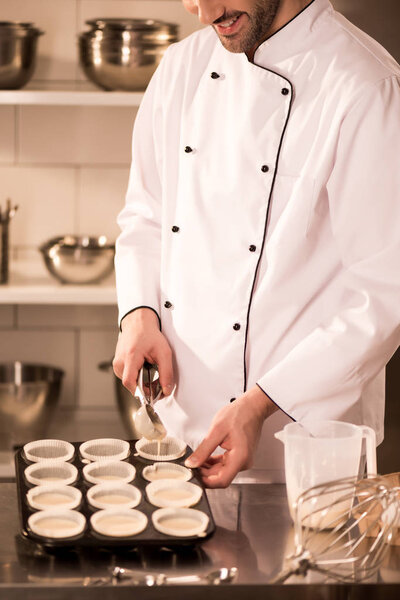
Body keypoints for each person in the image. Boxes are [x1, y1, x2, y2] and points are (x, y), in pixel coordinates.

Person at [113, 0, 400, 488]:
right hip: (183, 426)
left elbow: (384, 291)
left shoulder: (364, 84)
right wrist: (139, 315)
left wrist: (258, 404)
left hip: (307, 445)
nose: (204, 13)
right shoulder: (182, 67)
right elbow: (146, 213)